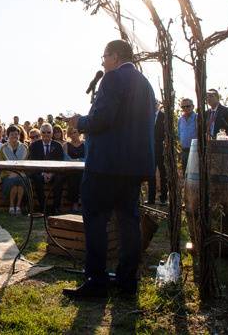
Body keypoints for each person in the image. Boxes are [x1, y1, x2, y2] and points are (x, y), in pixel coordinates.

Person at [64, 39, 156, 299]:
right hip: (133, 167)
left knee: (95, 221)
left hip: (105, 166)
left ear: (115, 57)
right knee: (128, 224)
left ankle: (96, 281)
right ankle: (127, 282)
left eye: (104, 57)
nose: (102, 62)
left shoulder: (113, 78)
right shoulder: (145, 84)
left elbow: (104, 118)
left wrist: (79, 121)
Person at [27, 123, 66, 215]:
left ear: (52, 133)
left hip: (54, 172)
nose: (46, 134)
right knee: (36, 177)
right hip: (39, 173)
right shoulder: (34, 146)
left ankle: (56, 207)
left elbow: (60, 163)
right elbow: (33, 163)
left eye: (48, 132)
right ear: (40, 133)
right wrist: (43, 173)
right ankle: (43, 207)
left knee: (59, 178)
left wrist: (51, 173)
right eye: (44, 132)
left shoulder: (58, 146)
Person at [0, 125, 28, 215]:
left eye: (16, 134)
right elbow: (2, 164)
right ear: (8, 136)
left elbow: (25, 163)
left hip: (21, 173)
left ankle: (18, 206)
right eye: (12, 134)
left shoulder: (24, 148)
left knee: (20, 182)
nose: (14, 136)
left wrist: (17, 173)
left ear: (19, 135)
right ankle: (12, 206)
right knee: (14, 183)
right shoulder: (3, 148)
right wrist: (11, 173)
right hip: (7, 173)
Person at [147, 103, 168, 205]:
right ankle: (151, 199)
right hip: (150, 149)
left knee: (163, 173)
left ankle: (163, 198)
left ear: (158, 104)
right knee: (150, 173)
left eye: (155, 103)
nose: (152, 105)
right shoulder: (147, 116)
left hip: (161, 148)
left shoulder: (164, 116)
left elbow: (167, 133)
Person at [64, 127, 85, 211]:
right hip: (71, 169)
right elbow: (65, 159)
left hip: (83, 169)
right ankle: (75, 203)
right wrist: (74, 161)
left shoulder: (85, 144)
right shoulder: (66, 145)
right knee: (73, 177)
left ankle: (84, 203)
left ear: (79, 133)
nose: (73, 135)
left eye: (75, 132)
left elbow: (87, 158)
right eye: (71, 133)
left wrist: (78, 160)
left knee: (84, 178)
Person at [177, 98, 198, 167]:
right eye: (183, 107)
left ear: (193, 106)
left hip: (196, 151)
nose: (185, 108)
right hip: (184, 151)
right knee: (185, 173)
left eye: (188, 106)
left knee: (194, 174)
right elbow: (179, 134)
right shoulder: (180, 120)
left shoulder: (198, 118)